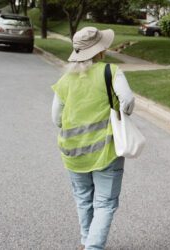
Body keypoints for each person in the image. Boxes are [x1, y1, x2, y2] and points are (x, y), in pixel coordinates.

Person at [50, 27, 135, 250]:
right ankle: (92, 247)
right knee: (105, 203)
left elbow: (56, 117)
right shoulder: (111, 71)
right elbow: (127, 100)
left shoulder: (66, 78)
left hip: (73, 152)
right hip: (107, 150)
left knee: (83, 199)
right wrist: (120, 113)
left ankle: (86, 241)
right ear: (100, 50)